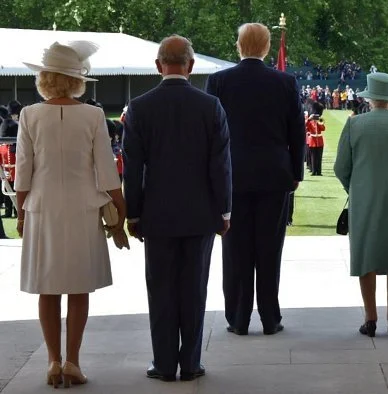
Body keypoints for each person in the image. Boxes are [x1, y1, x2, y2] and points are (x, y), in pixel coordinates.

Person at [17, 40, 127, 387]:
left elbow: (23, 171)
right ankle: (73, 362)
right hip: (82, 208)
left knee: (48, 289)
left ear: (45, 78)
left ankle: (52, 361)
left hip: (42, 207)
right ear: (77, 80)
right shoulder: (94, 115)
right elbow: (106, 171)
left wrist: (21, 212)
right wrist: (120, 212)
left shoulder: (29, 115)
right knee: (78, 289)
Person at [123, 35, 231, 382]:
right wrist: (224, 211)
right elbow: (221, 166)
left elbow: (133, 166)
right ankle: (191, 363)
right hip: (200, 213)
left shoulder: (139, 107)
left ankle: (164, 363)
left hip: (156, 214)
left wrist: (134, 213)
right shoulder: (210, 106)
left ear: (158, 65)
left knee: (162, 290)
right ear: (191, 65)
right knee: (194, 288)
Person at [206, 23, 304, 336]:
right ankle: (270, 317)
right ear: (265, 47)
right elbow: (296, 133)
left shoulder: (220, 81)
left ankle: (237, 318)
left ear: (239, 46)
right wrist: (296, 173)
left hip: (231, 176)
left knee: (235, 250)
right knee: (269, 249)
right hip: (274, 175)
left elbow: (212, 134)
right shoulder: (284, 82)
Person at [334, 72, 388, 338]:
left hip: (364, 199)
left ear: (370, 97)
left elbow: (341, 167)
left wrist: (356, 187)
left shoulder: (354, 124)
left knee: (366, 257)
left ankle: (370, 318)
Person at [306, 102, 326, 176]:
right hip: (312, 141)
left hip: (320, 141)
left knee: (319, 157)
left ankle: (319, 172)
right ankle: (314, 171)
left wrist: (320, 122)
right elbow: (305, 127)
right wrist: (309, 119)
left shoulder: (319, 122)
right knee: (313, 157)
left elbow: (323, 129)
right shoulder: (310, 122)